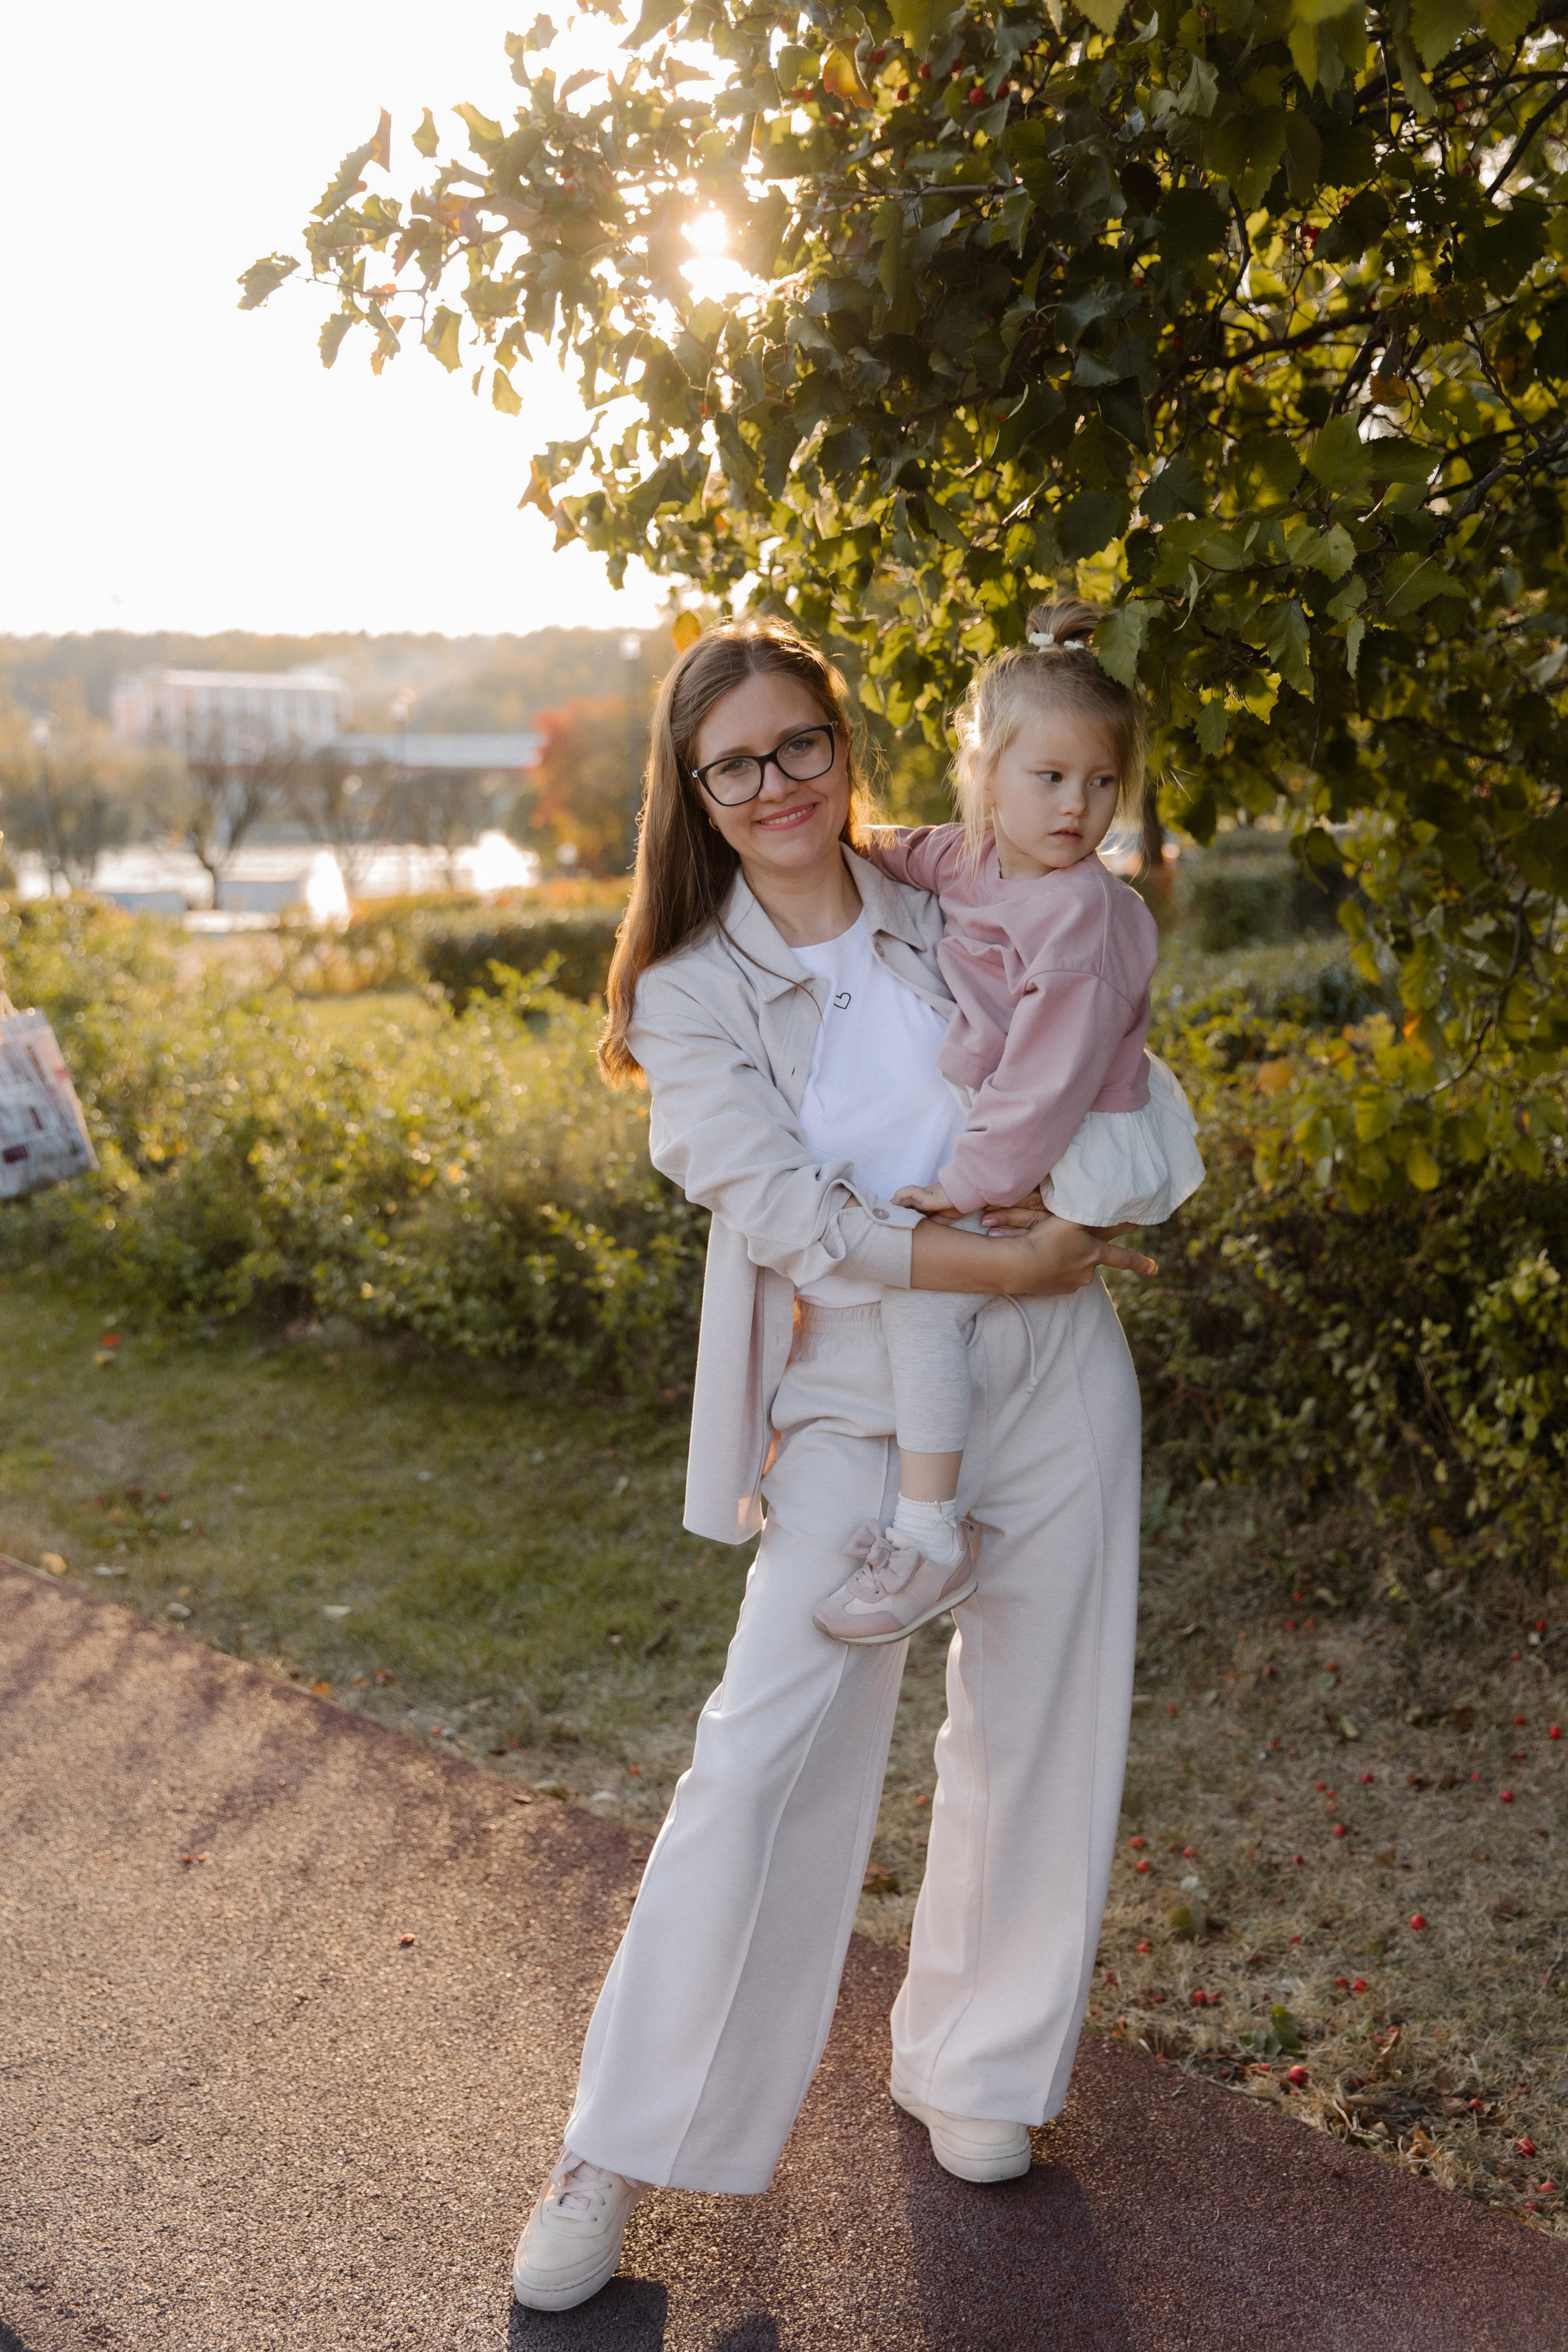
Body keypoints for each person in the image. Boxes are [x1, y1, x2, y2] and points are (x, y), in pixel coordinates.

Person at [511, 618, 1155, 2315]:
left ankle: (981, 2071)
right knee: (760, 1754)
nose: (779, 783)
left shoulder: (967, 890)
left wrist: (1088, 1220)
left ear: (844, 747)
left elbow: (1132, 1071)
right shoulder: (686, 990)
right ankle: (615, 2144)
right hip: (860, 1395)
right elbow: (791, 1215)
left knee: (1045, 1719)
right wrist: (1001, 1261)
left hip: (1057, 1365)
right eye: (740, 763)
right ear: (697, 792)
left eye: (802, 745)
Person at [811, 600, 1204, 1647]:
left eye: (1102, 782)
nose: (1078, 807)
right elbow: (899, 852)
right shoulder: (977, 858)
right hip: (1023, 1120)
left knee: (927, 1301)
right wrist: (833, 841)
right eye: (1050, 778)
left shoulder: (1078, 912)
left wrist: (969, 1189)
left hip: (1076, 1127)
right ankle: (954, 1494)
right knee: (952, 1299)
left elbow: (1046, 1079)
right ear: (984, 774)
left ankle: (932, 1535)